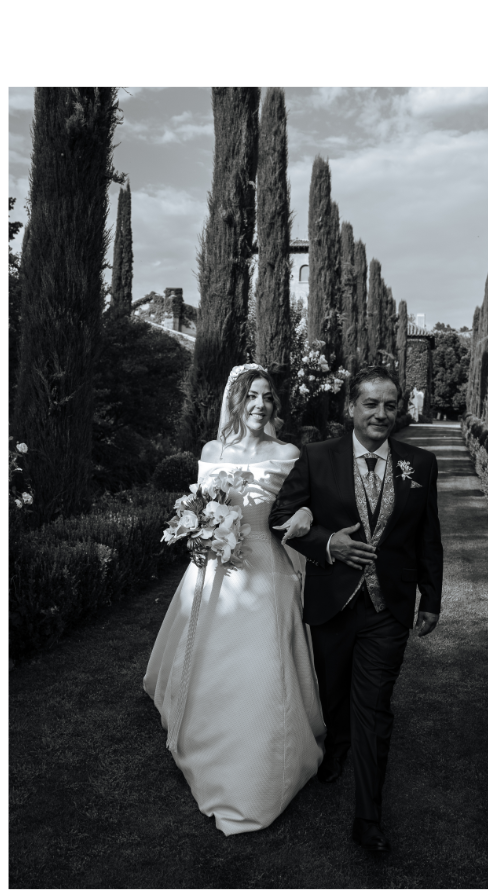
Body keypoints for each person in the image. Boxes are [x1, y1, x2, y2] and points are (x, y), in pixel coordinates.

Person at [141, 365, 324, 835]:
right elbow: (203, 500)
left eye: (267, 397)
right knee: (209, 658)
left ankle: (261, 756)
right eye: (252, 397)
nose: (261, 405)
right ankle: (206, 730)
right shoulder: (211, 450)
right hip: (212, 568)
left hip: (265, 567)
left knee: (262, 665)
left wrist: (304, 510)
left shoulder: (287, 452)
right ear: (236, 402)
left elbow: (309, 500)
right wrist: (200, 526)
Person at [268, 365, 443, 855]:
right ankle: (335, 745)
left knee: (375, 708)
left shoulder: (420, 464)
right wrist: (329, 545)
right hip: (332, 602)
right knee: (334, 690)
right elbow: (280, 516)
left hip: (389, 609)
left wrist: (430, 598)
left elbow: (429, 536)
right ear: (351, 408)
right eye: (371, 403)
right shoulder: (316, 457)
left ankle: (367, 816)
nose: (381, 414)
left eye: (390, 404)